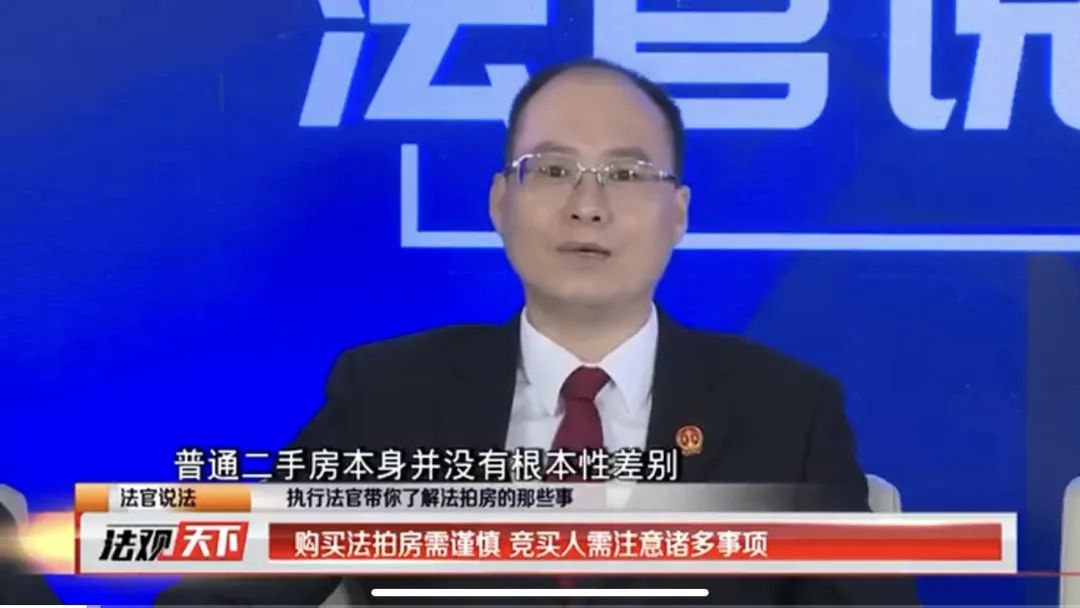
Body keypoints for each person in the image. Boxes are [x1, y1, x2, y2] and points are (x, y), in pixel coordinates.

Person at [158, 57, 920, 605]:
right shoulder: (386, 397)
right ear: (500, 203)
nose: (587, 206)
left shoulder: (787, 414)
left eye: (626, 175)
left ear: (679, 214)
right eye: (552, 171)